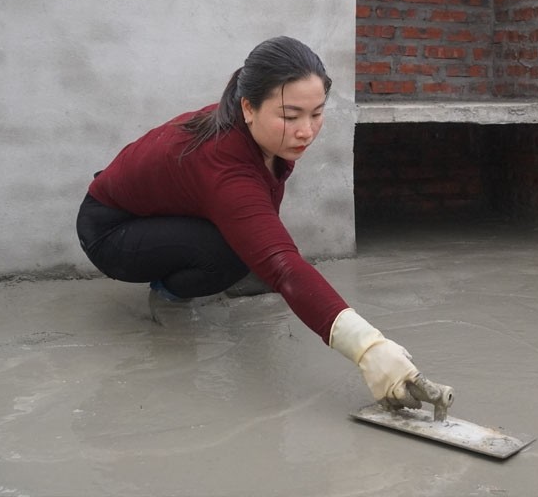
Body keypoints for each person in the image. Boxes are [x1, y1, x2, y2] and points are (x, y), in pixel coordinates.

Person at [75, 35, 432, 409]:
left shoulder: (259, 132)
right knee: (232, 256)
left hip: (156, 211)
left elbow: (260, 212)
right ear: (248, 107)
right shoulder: (224, 161)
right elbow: (284, 265)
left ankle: (228, 266)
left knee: (250, 245)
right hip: (111, 230)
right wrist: (369, 348)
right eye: (290, 116)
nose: (306, 131)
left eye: (316, 113)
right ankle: (168, 295)